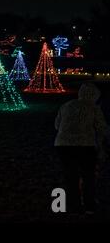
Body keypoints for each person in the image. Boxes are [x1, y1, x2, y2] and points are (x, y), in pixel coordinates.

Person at [55, 83, 108, 214]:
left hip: (63, 145)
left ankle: (75, 206)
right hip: (86, 145)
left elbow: (57, 125)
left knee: (70, 177)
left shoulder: (66, 105)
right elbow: (102, 128)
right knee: (88, 176)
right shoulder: (94, 108)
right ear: (94, 96)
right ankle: (89, 206)